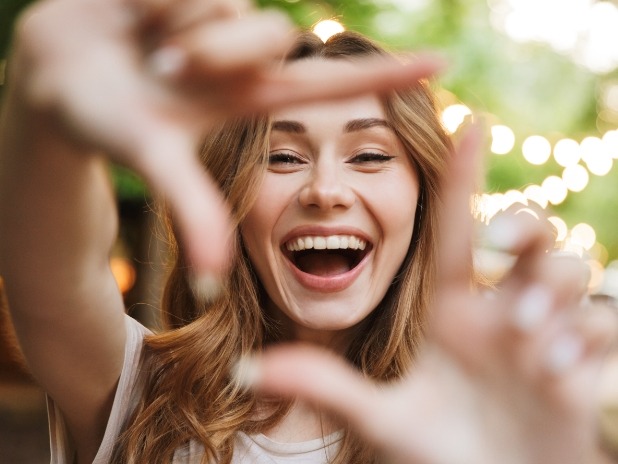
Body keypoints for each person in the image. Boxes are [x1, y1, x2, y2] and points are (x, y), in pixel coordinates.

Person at [0, 0, 614, 463]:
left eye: (369, 156)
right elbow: (55, 268)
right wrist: (41, 109)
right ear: (231, 197)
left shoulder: (501, 412)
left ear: (425, 201)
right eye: (283, 157)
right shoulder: (139, 393)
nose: (325, 190)